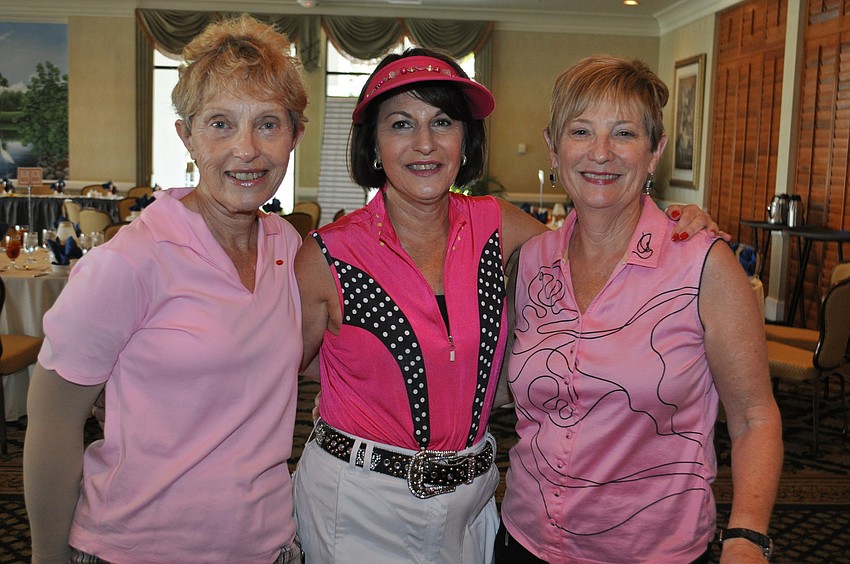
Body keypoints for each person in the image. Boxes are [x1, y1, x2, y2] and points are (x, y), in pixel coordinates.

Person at [292, 47, 723, 563]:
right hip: (358, 504)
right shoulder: (328, 254)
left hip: (474, 503)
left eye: (443, 122)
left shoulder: (497, 225)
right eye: (401, 124)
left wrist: (673, 219)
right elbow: (279, 375)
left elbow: (589, 253)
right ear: (374, 145)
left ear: (465, 140)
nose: (424, 143)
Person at [24, 15, 307, 563]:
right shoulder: (131, 261)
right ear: (187, 136)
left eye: (268, 124)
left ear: (295, 135)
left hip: (267, 544)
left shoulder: (288, 248)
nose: (245, 149)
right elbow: (54, 418)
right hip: (138, 547)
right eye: (221, 124)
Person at [497, 55, 783, 563]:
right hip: (525, 539)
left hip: (653, 550)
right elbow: (499, 387)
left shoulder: (703, 264)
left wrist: (747, 536)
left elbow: (755, 417)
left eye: (624, 133)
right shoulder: (532, 261)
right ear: (553, 148)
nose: (601, 153)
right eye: (581, 131)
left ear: (655, 153)